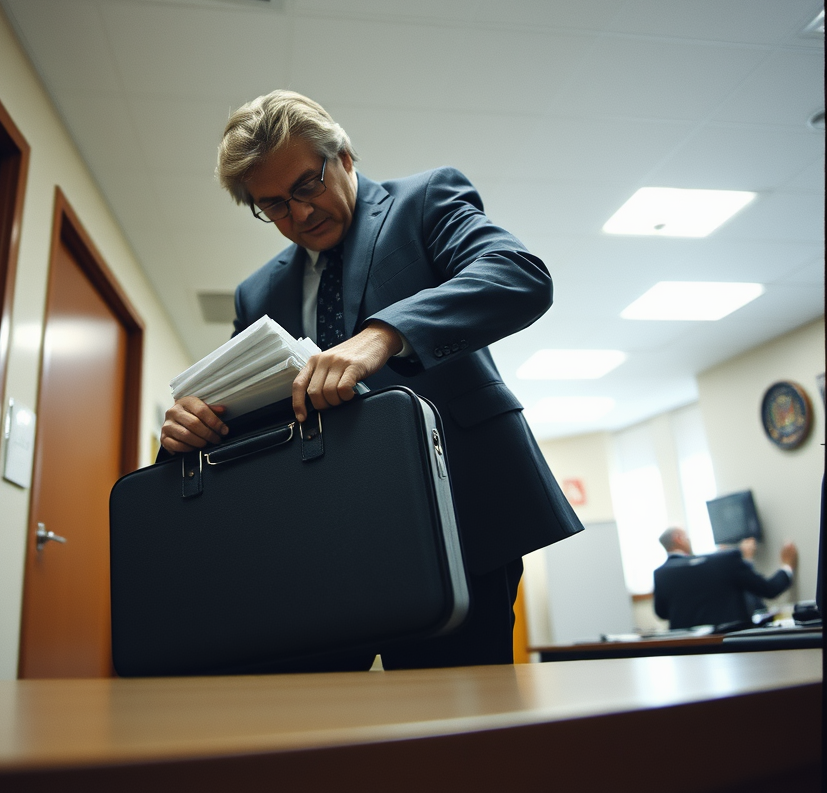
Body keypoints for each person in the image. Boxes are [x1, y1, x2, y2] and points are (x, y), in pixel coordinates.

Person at [161, 90, 582, 669]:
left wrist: (384, 335)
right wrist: (201, 425)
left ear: (346, 158)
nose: (300, 214)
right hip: (325, 542)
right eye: (275, 206)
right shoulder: (256, 294)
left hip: (456, 521)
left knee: (458, 731)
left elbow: (517, 275)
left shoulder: (425, 200)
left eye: (308, 185)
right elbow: (257, 417)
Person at [653, 526, 797, 630]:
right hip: (730, 647)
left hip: (687, 653)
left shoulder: (660, 574)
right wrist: (787, 566)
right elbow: (769, 589)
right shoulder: (726, 559)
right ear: (678, 538)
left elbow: (662, 613)